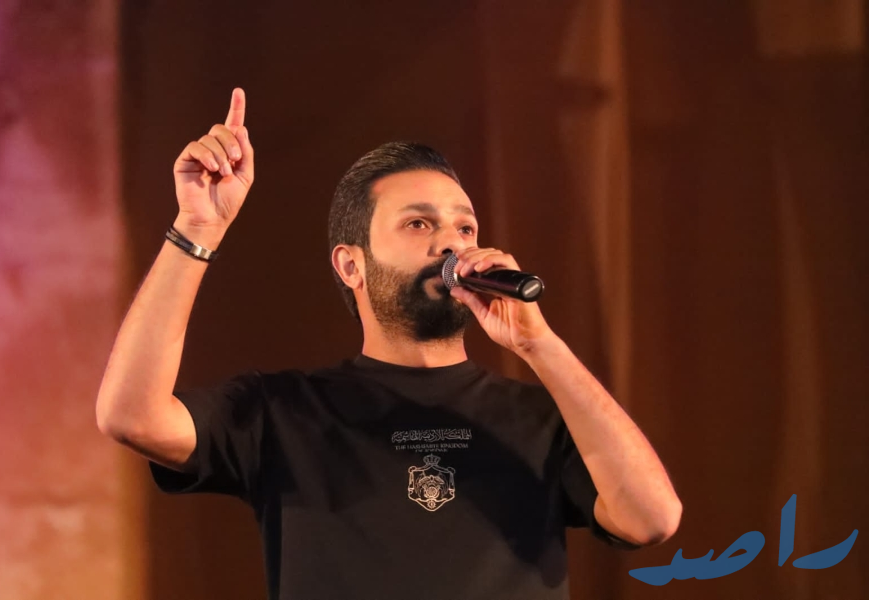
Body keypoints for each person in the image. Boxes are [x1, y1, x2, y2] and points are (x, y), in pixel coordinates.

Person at [96, 88, 681, 600]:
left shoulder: (539, 416)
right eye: (419, 224)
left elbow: (652, 518)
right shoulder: (283, 413)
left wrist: (540, 344)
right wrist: (197, 228)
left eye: (465, 227)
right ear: (351, 264)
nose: (452, 244)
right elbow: (130, 416)